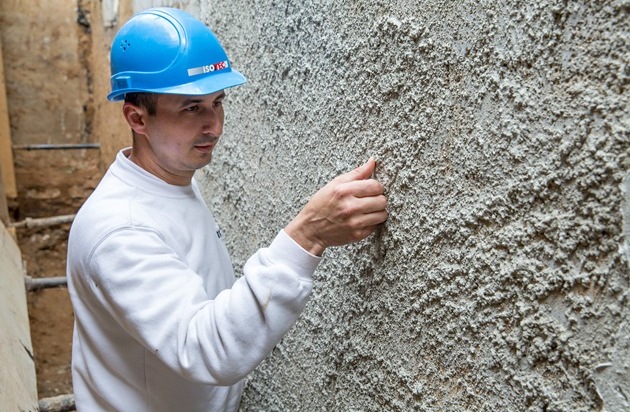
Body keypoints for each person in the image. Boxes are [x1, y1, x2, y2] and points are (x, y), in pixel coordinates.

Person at [66, 7, 387, 412]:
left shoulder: (170, 178)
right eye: (191, 108)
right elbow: (205, 349)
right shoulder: (120, 230)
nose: (214, 125)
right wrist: (308, 235)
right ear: (137, 117)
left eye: (217, 102)